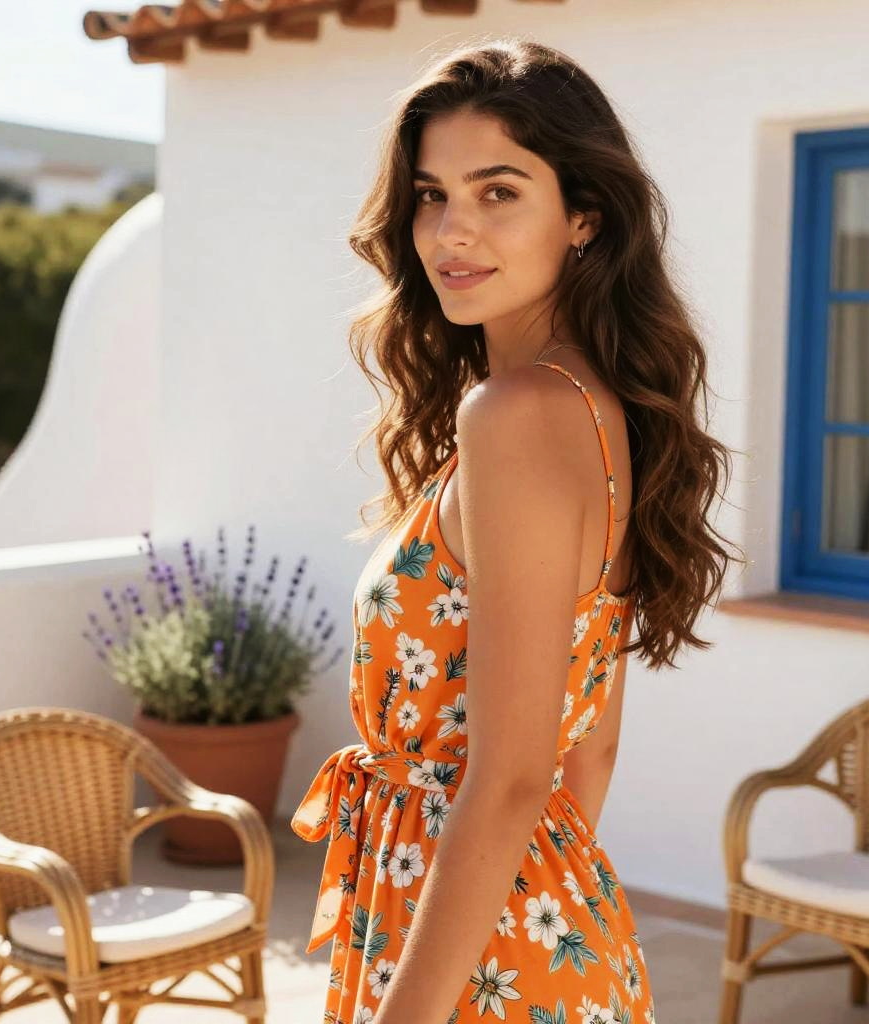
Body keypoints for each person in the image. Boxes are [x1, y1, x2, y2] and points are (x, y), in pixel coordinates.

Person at [291, 36, 739, 1024]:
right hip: (525, 939)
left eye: (498, 191)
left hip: (469, 960)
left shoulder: (517, 415)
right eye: (430, 193)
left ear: (582, 215)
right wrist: (534, 925)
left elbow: (512, 775)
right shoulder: (594, 407)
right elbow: (590, 751)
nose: (452, 230)